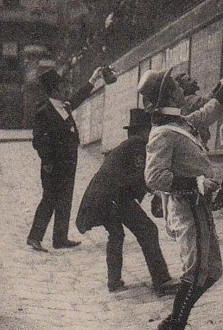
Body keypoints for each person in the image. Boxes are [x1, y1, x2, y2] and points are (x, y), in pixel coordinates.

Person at [139, 60, 223, 330]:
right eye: (175, 85)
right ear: (167, 96)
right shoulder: (163, 133)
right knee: (195, 272)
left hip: (197, 207)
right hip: (187, 207)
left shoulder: (180, 123)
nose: (181, 87)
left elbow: (210, 112)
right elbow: (154, 178)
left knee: (211, 270)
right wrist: (196, 182)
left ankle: (172, 322)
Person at [76, 108, 178, 295]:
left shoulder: (127, 145)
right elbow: (141, 177)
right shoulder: (138, 145)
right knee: (148, 230)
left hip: (102, 197)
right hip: (115, 197)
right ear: (143, 130)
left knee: (116, 235)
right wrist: (155, 191)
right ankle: (161, 281)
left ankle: (113, 281)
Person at [27, 65, 104, 251]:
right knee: (50, 199)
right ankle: (34, 237)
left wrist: (93, 79)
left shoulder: (64, 106)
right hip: (53, 165)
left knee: (65, 199)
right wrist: (47, 162)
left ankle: (59, 238)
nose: (66, 90)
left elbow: (79, 96)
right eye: (62, 87)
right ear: (54, 90)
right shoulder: (44, 111)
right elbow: (38, 140)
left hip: (68, 163)